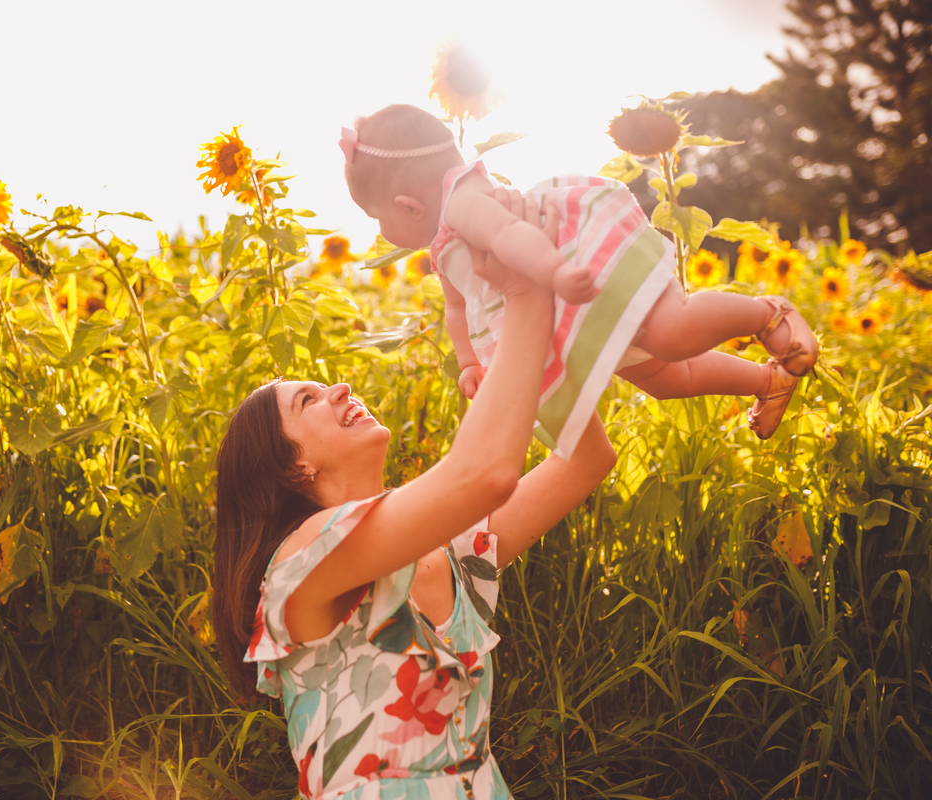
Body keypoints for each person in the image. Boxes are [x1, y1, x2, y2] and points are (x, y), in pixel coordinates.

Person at [213, 190, 617, 799]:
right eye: (308, 401)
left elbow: (587, 460)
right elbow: (483, 474)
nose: (340, 387)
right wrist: (526, 294)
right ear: (291, 468)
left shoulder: (454, 549)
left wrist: (519, 331)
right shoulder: (302, 563)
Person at [340, 103, 820, 453]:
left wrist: (556, 271)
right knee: (666, 378)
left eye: (376, 219)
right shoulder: (444, 247)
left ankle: (769, 312)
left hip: (580, 269)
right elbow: (457, 307)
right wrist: (469, 363)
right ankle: (765, 381)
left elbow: (509, 234)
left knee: (671, 333)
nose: (381, 232)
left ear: (409, 205)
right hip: (568, 311)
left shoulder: (463, 203)